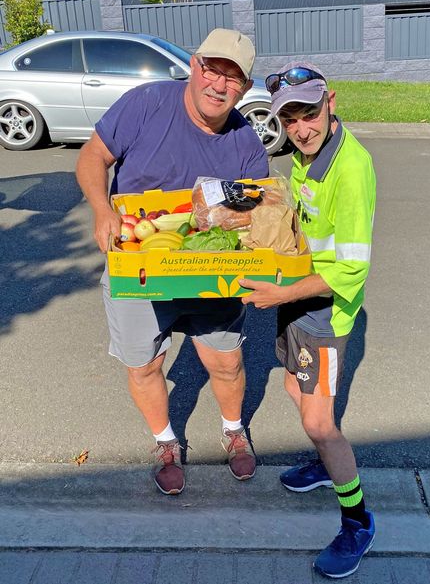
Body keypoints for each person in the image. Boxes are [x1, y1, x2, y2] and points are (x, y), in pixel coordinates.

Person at [76, 28, 269, 495]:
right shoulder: (147, 104)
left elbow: (259, 207)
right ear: (194, 65)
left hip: (208, 271)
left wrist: (234, 225)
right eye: (211, 69)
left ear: (244, 88)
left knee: (225, 362)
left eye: (233, 78)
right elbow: (92, 156)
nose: (218, 85)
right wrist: (103, 210)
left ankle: (233, 428)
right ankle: (164, 441)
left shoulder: (245, 141)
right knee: (144, 365)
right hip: (139, 265)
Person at [239, 61, 376, 579]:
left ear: (331, 103)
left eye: (310, 113)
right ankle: (322, 466)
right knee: (295, 394)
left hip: (323, 312)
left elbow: (350, 268)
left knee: (320, 423)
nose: (301, 128)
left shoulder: (352, 170)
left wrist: (281, 293)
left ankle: (358, 520)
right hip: (295, 300)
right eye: (289, 118)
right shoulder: (304, 157)